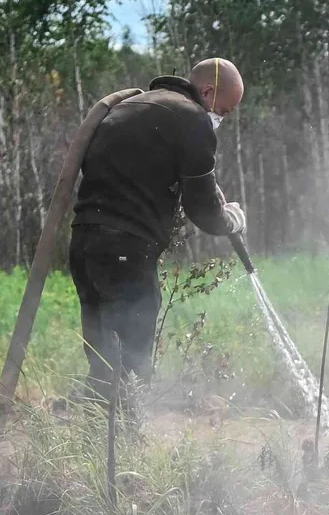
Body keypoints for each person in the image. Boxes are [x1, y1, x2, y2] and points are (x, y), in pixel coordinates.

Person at [70, 58, 248, 404]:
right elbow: (204, 211)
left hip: (84, 245)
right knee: (131, 359)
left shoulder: (128, 107)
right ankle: (124, 442)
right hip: (126, 249)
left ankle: (94, 435)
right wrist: (231, 219)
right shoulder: (192, 118)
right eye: (224, 111)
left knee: (103, 356)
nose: (221, 119)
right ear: (208, 91)